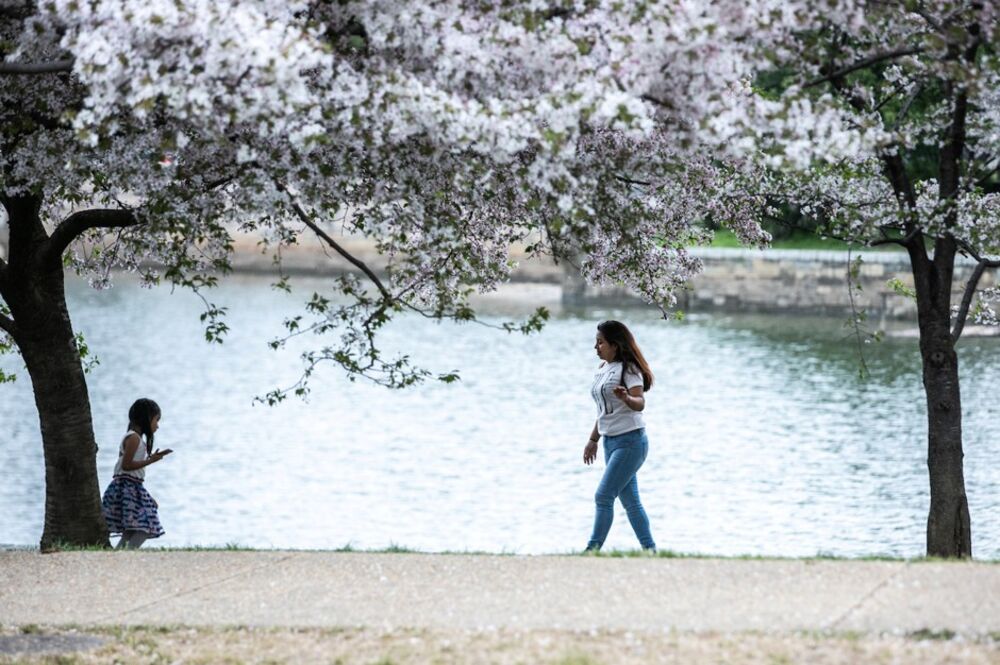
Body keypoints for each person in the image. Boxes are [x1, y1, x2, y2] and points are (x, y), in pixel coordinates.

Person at [584, 320, 656, 552]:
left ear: (615, 345)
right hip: (610, 441)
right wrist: (593, 439)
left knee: (603, 496)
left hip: (631, 441)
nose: (597, 348)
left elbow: (640, 403)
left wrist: (626, 398)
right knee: (631, 502)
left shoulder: (629, 369)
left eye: (601, 343)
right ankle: (650, 550)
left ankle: (592, 549)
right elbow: (603, 411)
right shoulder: (604, 370)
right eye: (596, 343)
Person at [101, 398, 172, 549]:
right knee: (145, 524)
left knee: (135, 527)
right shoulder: (133, 438)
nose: (157, 426)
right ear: (146, 418)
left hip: (133, 486)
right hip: (127, 487)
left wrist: (148, 496)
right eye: (156, 420)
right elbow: (127, 466)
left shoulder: (136, 438)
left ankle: (120, 555)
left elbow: (133, 473)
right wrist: (151, 460)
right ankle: (125, 554)